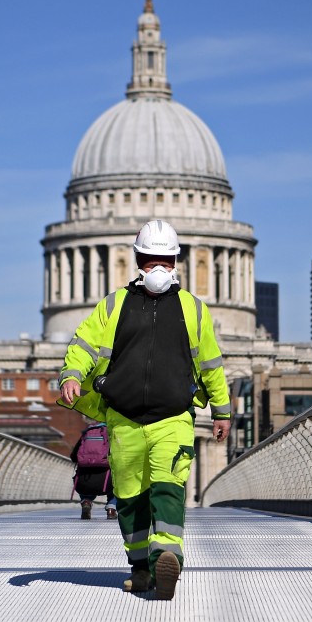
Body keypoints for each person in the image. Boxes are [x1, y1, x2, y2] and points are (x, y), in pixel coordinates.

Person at [58, 219, 232, 601]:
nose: (158, 268)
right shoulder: (114, 305)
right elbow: (84, 344)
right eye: (151, 259)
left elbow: (211, 365)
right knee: (131, 499)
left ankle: (167, 555)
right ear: (137, 259)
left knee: (169, 489)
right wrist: (71, 374)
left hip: (172, 418)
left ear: (177, 262)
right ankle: (140, 569)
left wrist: (222, 410)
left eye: (165, 260)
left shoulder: (194, 310)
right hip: (124, 420)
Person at [70, 421, 117, 520]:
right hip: (106, 479)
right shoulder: (112, 433)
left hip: (85, 479)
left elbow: (73, 456)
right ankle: (111, 508)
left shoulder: (87, 433)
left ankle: (86, 501)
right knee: (117, 484)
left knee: (85, 486)